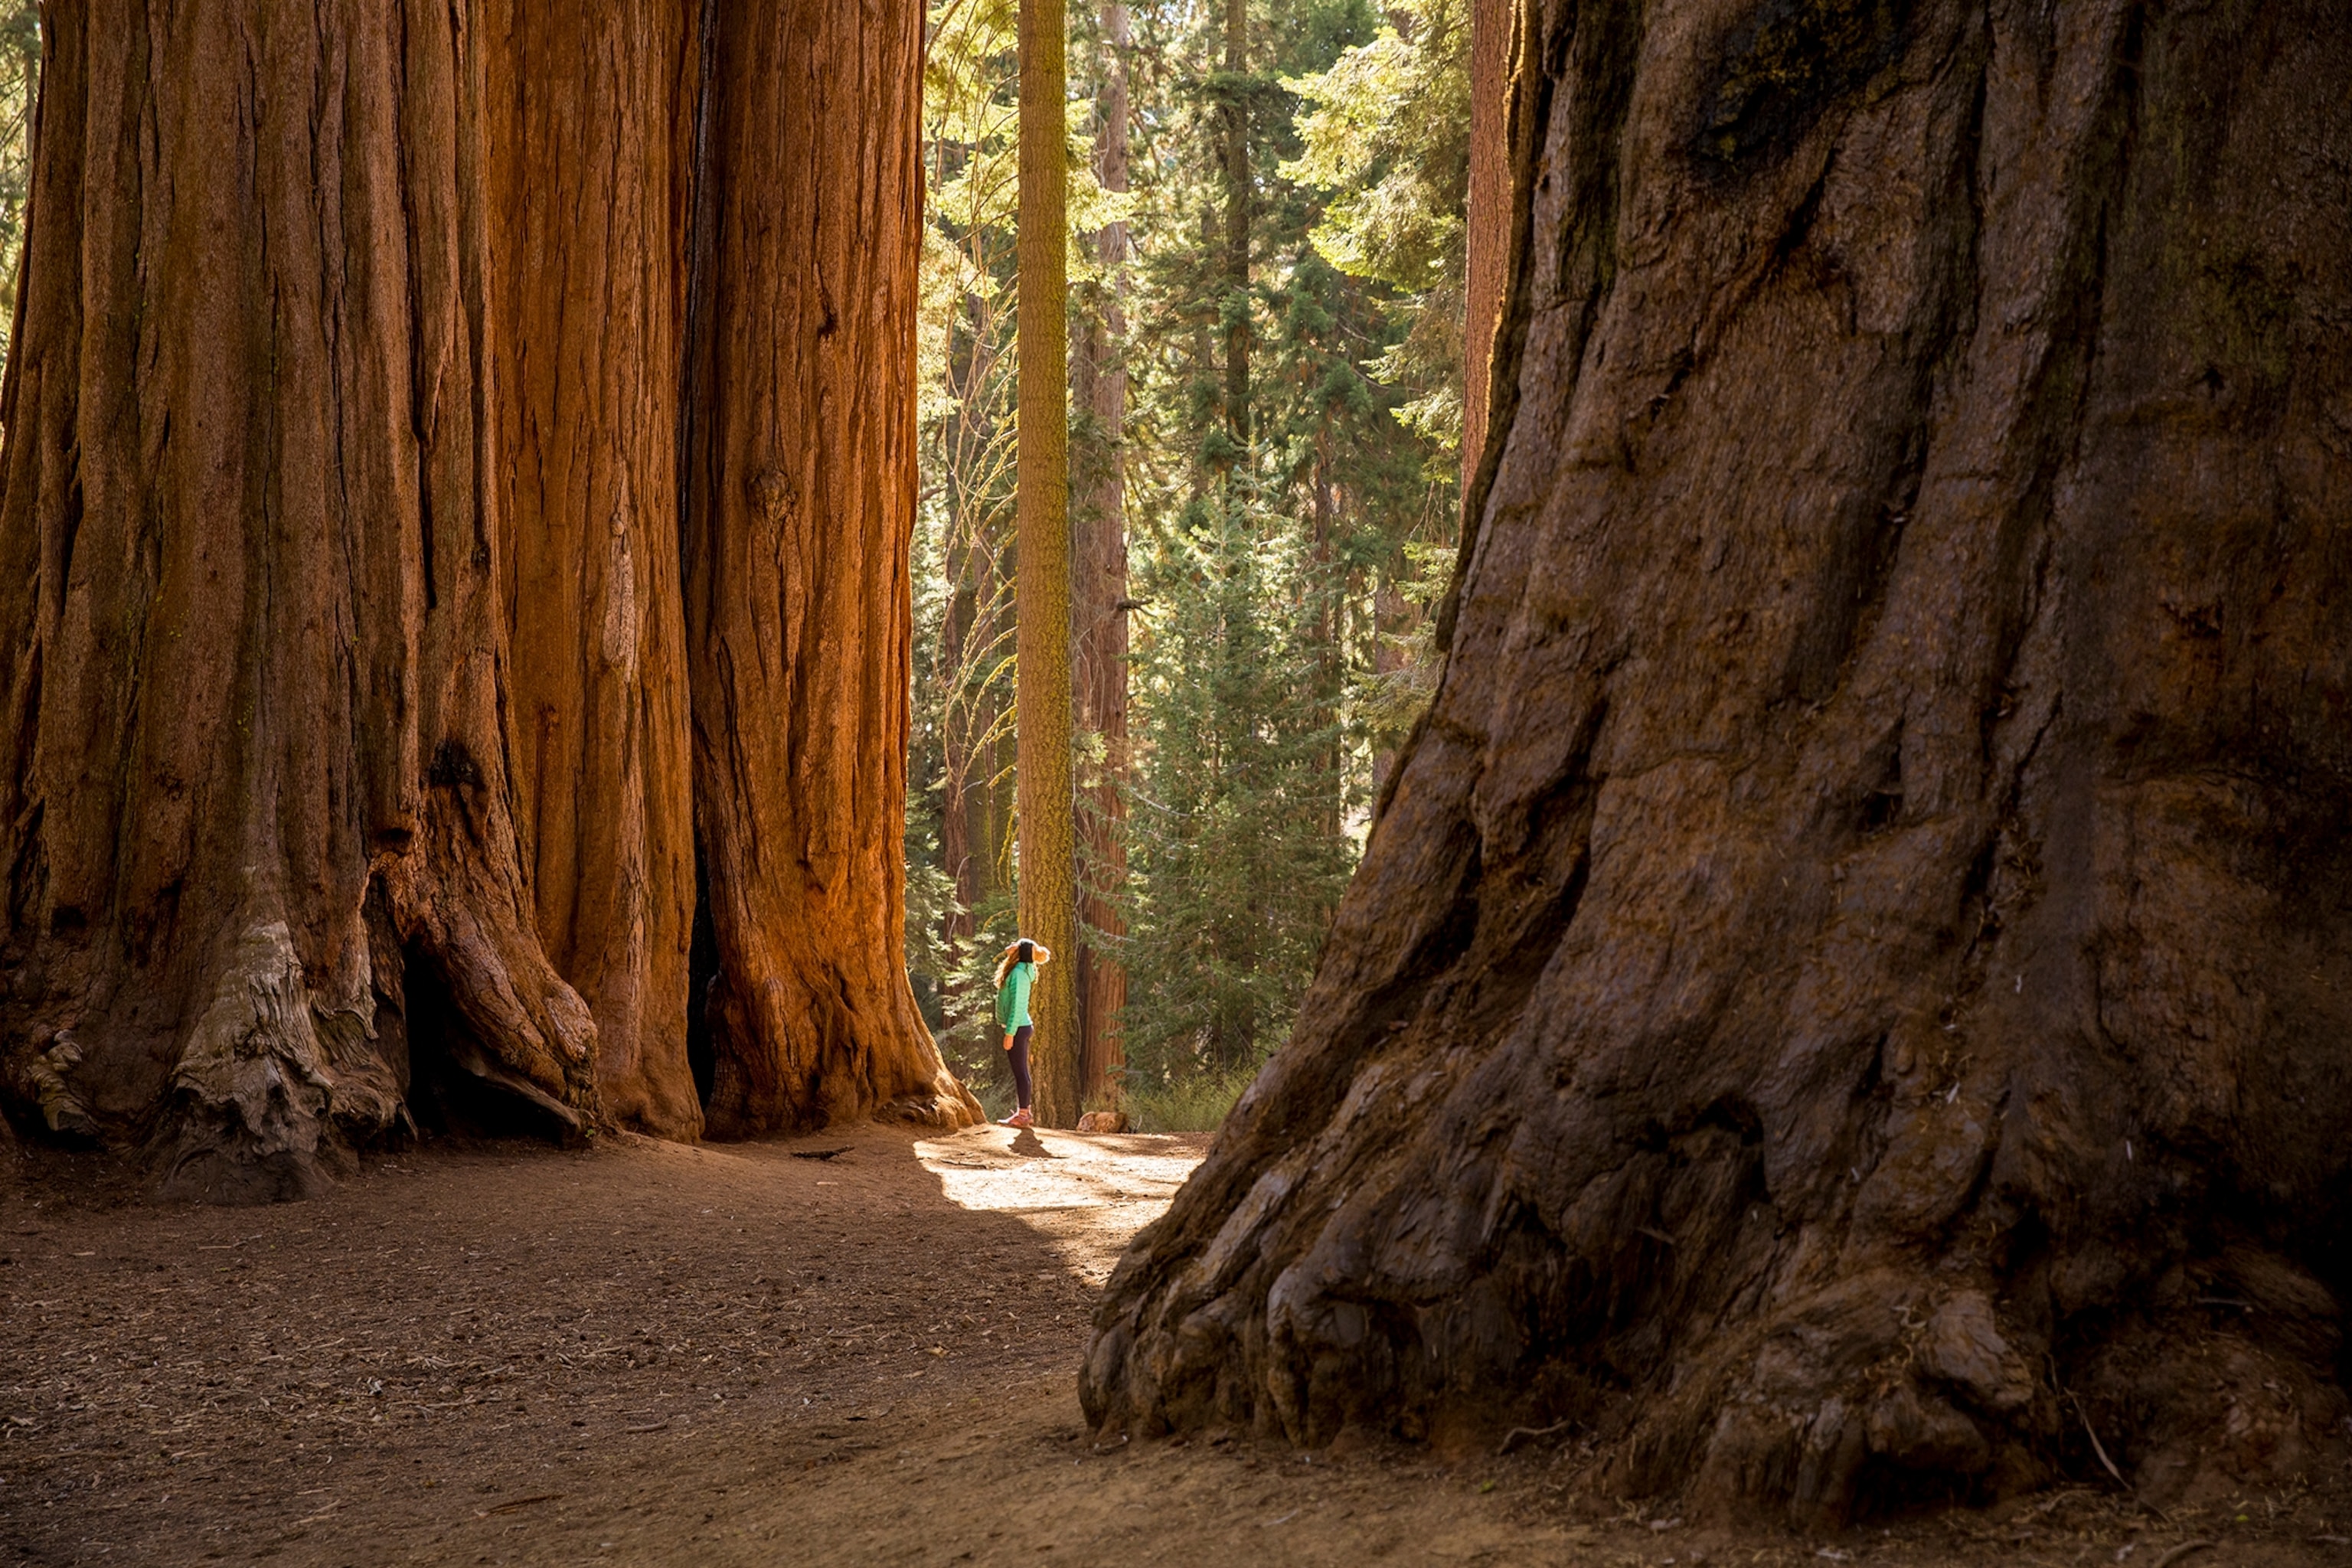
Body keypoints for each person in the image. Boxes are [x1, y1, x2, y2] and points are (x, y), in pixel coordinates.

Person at [992, 938, 1052, 1129]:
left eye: (1016, 945)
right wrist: (1016, 948)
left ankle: (1023, 1115)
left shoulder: (1019, 974)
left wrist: (1010, 1033)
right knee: (1021, 1072)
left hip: (1018, 1027)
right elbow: (1008, 949)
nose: (1011, 945)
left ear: (1020, 952)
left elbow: (1018, 1006)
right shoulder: (1020, 969)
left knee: (1021, 1073)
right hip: (1019, 1027)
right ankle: (1024, 1113)